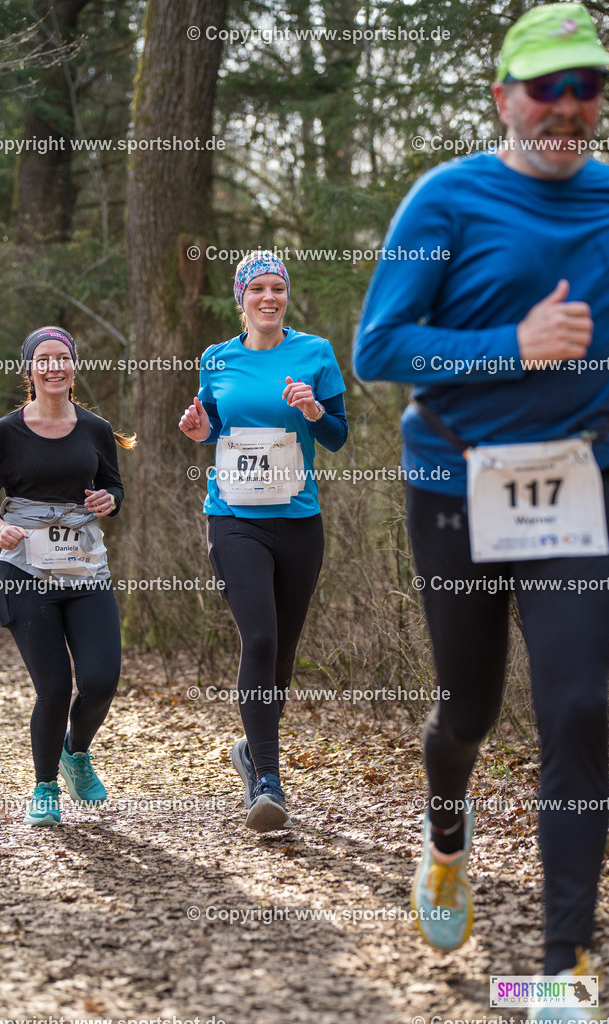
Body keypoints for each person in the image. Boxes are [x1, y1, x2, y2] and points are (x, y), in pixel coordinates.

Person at [353, 5, 609, 1020]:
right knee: (468, 706)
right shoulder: (446, 200)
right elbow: (378, 348)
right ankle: (445, 835)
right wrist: (513, 344)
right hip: (454, 489)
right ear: (501, 95)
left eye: (584, 87)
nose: (563, 108)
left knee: (578, 707)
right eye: (543, 87)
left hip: (580, 487)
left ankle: (563, 970)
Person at [179, 251, 348, 833]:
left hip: (299, 521)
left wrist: (316, 410)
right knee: (260, 635)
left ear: (287, 296)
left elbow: (337, 437)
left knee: (282, 655)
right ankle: (269, 782)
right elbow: (214, 428)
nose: (269, 297)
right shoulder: (216, 358)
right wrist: (201, 431)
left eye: (278, 288)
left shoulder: (316, 353)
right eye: (258, 289)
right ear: (241, 299)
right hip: (232, 517)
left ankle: (252, 752)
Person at [0, 326, 136, 827]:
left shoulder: (96, 429)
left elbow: (113, 489)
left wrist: (110, 501)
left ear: (74, 365)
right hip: (24, 572)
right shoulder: (4, 433)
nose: (55, 367)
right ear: (30, 370)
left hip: (85, 569)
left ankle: (75, 753)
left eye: (63, 358)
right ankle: (44, 789)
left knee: (101, 680)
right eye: (44, 359)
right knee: (55, 686)